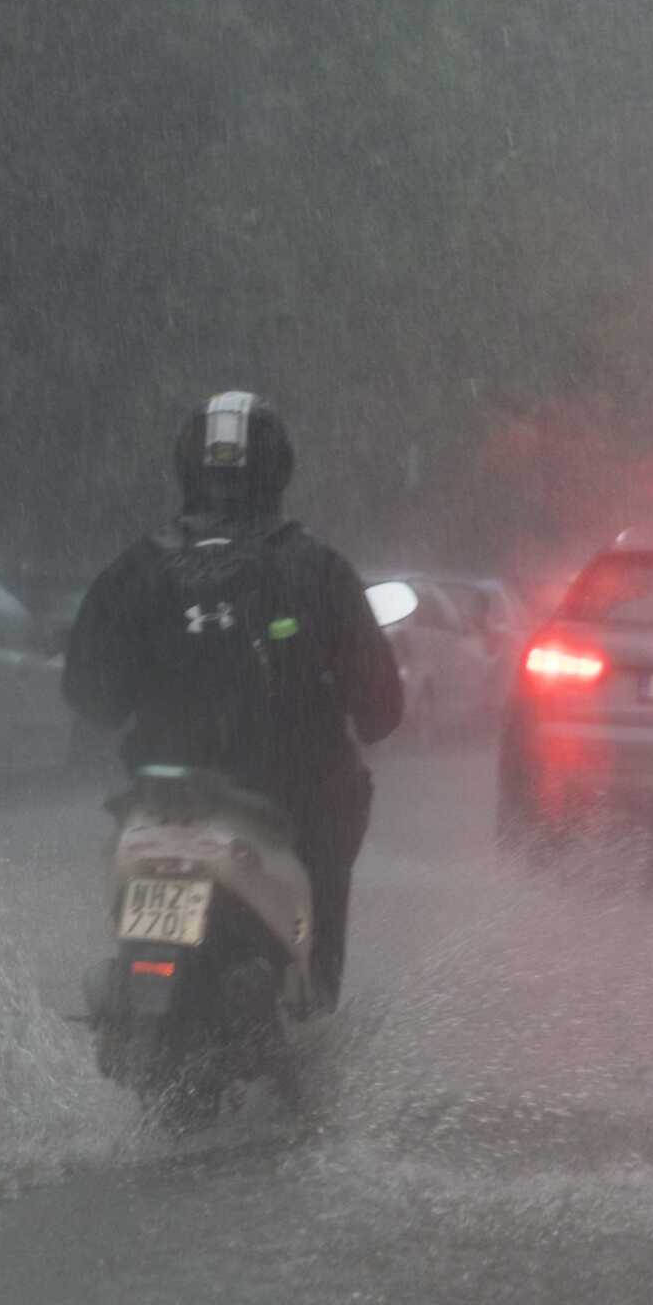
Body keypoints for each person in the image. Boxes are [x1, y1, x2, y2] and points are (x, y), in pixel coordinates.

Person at [64, 391, 403, 1008]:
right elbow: (382, 710)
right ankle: (312, 996)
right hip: (296, 800)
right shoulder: (317, 569)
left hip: (163, 800)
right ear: (278, 471)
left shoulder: (135, 569)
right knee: (335, 837)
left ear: (187, 469)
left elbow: (87, 694)